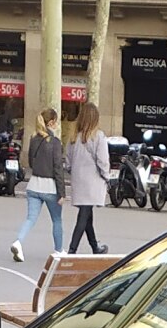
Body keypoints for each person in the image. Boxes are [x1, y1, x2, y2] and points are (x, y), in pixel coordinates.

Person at [11, 105, 64, 263]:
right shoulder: (55, 142)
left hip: (33, 185)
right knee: (57, 220)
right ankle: (59, 250)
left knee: (30, 218)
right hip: (50, 187)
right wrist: (62, 193)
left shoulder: (33, 138)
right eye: (56, 122)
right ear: (52, 123)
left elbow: (31, 162)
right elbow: (58, 168)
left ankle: (18, 242)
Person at [65, 102, 112, 252]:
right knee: (84, 215)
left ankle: (95, 247)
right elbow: (103, 161)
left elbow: (68, 162)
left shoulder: (73, 138)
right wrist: (107, 176)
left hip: (78, 181)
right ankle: (72, 250)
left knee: (87, 215)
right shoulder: (98, 137)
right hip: (92, 181)